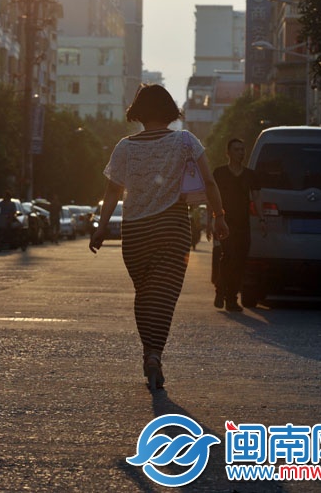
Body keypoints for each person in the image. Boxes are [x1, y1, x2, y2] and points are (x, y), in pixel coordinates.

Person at [89, 83, 229, 390]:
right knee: (164, 296)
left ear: (137, 112)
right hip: (172, 228)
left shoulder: (125, 146)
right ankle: (154, 353)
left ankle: (150, 353)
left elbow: (112, 190)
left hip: (135, 232)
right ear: (170, 110)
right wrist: (219, 217)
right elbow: (209, 181)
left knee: (144, 293)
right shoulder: (185, 141)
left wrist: (101, 228)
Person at [208, 138, 265, 312]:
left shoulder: (250, 175)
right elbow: (211, 197)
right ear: (228, 153)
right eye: (236, 149)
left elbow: (256, 198)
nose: (241, 153)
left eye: (242, 149)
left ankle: (230, 298)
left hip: (243, 225)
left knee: (240, 261)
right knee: (227, 256)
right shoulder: (219, 173)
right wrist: (209, 221)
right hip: (224, 222)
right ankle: (223, 293)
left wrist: (262, 219)